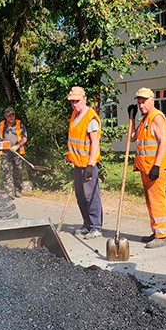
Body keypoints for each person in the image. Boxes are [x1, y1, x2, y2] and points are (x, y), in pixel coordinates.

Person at [132, 87, 166, 249]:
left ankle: (162, 235)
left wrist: (157, 166)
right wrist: (132, 119)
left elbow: (164, 142)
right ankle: (156, 231)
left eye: (144, 101)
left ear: (152, 100)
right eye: (139, 102)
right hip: (145, 168)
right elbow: (132, 139)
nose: (141, 105)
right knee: (150, 201)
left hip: (155, 168)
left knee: (157, 200)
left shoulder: (157, 118)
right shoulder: (144, 119)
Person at [66, 85, 103, 239]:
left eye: (77, 101)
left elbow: (95, 143)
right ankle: (87, 224)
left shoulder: (91, 118)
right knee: (80, 196)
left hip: (88, 165)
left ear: (84, 99)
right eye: (72, 101)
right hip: (77, 164)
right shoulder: (75, 114)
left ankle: (96, 227)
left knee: (91, 195)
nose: (75, 104)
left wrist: (90, 164)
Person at [0, 107, 28, 197]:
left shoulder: (20, 125)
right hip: (5, 153)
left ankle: (17, 190)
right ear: (5, 116)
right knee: (7, 172)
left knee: (18, 172)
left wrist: (17, 146)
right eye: (9, 116)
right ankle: (9, 192)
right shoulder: (1, 125)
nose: (11, 117)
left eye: (13, 115)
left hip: (17, 152)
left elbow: (25, 138)